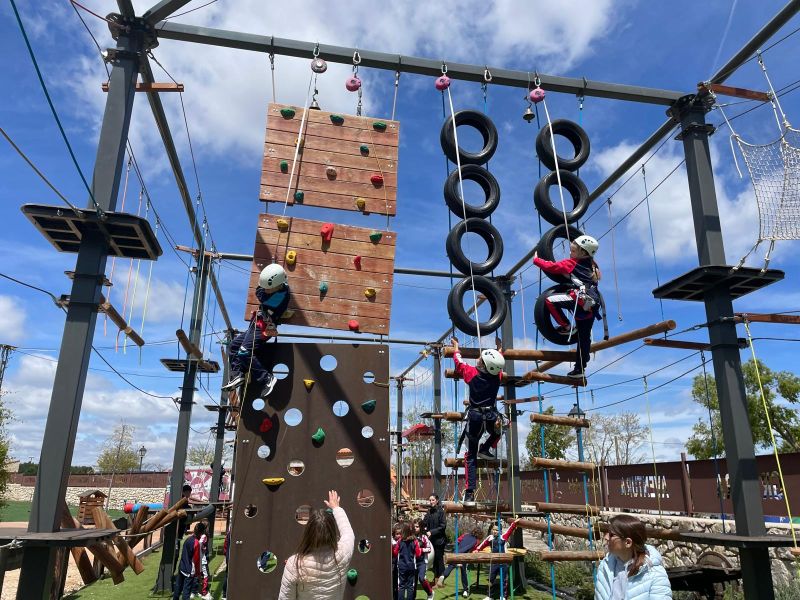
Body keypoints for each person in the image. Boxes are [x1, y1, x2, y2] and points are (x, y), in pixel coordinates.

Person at [533, 234, 602, 380]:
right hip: (591, 306)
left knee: (550, 301)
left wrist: (537, 260)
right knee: (584, 339)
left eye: (573, 251)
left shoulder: (572, 263)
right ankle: (579, 369)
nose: (570, 253)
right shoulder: (593, 265)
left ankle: (566, 326)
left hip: (580, 300)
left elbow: (552, 267)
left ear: (582, 252)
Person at [222, 263, 291, 397]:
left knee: (244, 352)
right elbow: (261, 291)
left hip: (265, 328)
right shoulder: (277, 287)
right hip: (257, 324)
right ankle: (237, 374)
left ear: (278, 286)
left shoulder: (280, 297)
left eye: (268, 288)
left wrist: (263, 289)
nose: (265, 290)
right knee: (234, 346)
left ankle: (267, 379)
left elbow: (259, 294)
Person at [451, 336, 505, 504]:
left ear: (483, 365)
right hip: (490, 416)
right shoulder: (497, 376)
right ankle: (486, 447)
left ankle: (469, 493)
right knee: (500, 428)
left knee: (471, 456)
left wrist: (456, 347)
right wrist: (499, 348)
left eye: (480, 359)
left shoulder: (472, 373)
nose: (478, 359)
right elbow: (496, 364)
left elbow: (459, 362)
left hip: (475, 418)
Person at [278, 490, 354, 600]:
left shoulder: (295, 564)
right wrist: (336, 508)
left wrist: (293, 566)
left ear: (308, 533)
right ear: (332, 532)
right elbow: (348, 533)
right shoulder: (343, 552)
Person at [595, 514, 673, 600]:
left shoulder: (655, 573)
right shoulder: (605, 567)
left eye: (611, 535)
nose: (606, 537)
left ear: (628, 542)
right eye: (607, 533)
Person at [475, 518, 520, 600]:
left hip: (503, 563)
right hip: (494, 562)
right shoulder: (490, 538)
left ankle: (503, 596)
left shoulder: (503, 537)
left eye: (497, 530)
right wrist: (477, 550)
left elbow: (510, 530)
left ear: (500, 531)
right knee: (491, 579)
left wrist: (514, 523)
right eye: (493, 529)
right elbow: (483, 544)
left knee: (503, 580)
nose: (494, 531)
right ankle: (489, 596)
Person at [437, 526, 483, 595]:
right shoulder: (476, 541)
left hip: (456, 552)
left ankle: (443, 576)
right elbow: (473, 551)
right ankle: (465, 590)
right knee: (464, 572)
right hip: (464, 556)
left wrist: (456, 549)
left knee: (450, 566)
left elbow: (457, 541)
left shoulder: (465, 535)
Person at [173, 521, 206, 600]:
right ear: (201, 533)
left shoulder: (188, 539)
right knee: (186, 592)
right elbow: (197, 560)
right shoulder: (196, 543)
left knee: (178, 587)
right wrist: (199, 575)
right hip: (189, 570)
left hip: (182, 567)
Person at [421, 494, 447, 584]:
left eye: (432, 500)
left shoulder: (441, 512)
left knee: (439, 560)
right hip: (431, 540)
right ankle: (435, 579)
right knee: (433, 560)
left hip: (439, 540)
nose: (431, 502)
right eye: (430, 500)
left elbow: (443, 526)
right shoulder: (429, 511)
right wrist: (418, 525)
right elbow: (424, 522)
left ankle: (441, 580)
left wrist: (431, 532)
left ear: (437, 501)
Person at [394, 522, 422, 600]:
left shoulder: (400, 541)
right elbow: (418, 554)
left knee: (401, 586)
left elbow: (395, 552)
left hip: (402, 566)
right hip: (411, 566)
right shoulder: (415, 541)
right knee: (410, 586)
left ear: (403, 530)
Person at [413, 519, 435, 599]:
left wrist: (420, 550)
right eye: (414, 526)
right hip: (412, 562)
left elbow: (429, 549)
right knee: (413, 582)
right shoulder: (411, 537)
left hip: (422, 562)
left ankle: (430, 593)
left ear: (421, 527)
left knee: (421, 578)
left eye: (417, 526)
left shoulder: (424, 537)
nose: (415, 528)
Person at [391, 523, 402, 599]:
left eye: (400, 534)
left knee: (398, 582)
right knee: (393, 581)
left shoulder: (402, 542)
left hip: (400, 564)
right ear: (394, 534)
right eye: (397, 534)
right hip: (393, 563)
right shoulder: (392, 542)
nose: (399, 536)